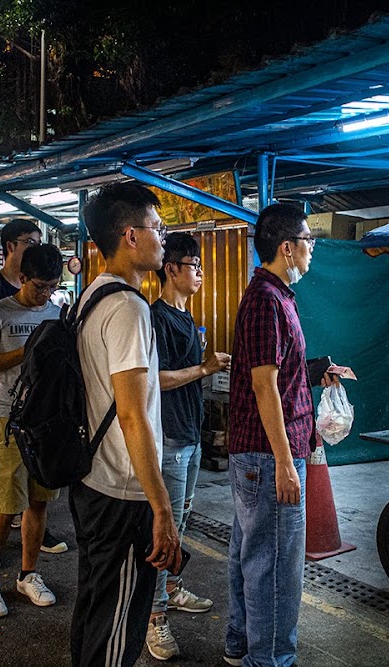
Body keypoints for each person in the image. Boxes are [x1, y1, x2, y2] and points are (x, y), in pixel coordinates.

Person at [70, 182, 181, 667]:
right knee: (118, 623)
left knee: (96, 607)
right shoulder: (129, 308)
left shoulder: (91, 296)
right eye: (157, 227)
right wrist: (161, 508)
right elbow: (133, 414)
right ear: (130, 236)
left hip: (93, 479)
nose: (164, 237)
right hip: (123, 491)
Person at [225, 203, 321, 667]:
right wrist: (285, 461)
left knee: (251, 553)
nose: (311, 249)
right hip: (268, 458)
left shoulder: (276, 296)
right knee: (275, 567)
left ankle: (240, 643)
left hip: (262, 455)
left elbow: (279, 376)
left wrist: (318, 372)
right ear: (287, 248)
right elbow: (264, 384)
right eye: (308, 241)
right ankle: (270, 660)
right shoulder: (267, 299)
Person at [145, 232, 231, 660]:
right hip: (170, 438)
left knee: (184, 520)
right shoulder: (155, 317)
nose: (199, 272)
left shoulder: (185, 317)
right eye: (193, 265)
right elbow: (155, 380)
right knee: (167, 526)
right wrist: (204, 367)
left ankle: (172, 588)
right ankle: (154, 617)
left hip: (191, 436)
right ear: (171, 268)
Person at [0, 218, 66, 563]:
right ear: (22, 278)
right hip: (8, 419)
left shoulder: (57, 314)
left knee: (39, 504)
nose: (45, 294)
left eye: (52, 287)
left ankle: (28, 573)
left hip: (47, 423)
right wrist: (25, 353)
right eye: (39, 286)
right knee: (6, 507)